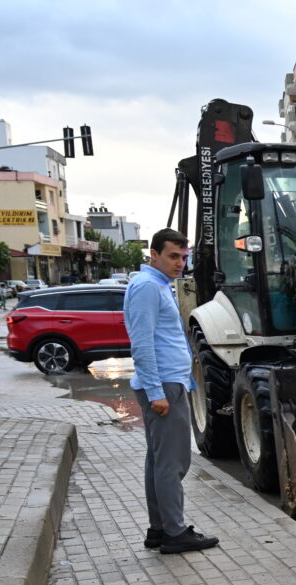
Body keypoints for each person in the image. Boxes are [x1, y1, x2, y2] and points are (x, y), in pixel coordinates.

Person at [123, 229, 219, 554]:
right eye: (173, 256)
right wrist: (156, 392)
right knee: (173, 463)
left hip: (168, 382)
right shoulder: (148, 287)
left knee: (159, 460)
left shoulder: (158, 285)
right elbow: (143, 344)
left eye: (184, 256)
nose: (181, 263)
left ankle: (160, 528)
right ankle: (175, 533)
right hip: (163, 385)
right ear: (154, 254)